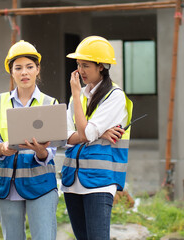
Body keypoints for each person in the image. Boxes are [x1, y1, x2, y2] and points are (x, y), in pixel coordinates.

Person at [60, 36, 133, 240]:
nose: (80, 71)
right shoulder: (81, 95)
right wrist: (98, 132)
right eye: (78, 64)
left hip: (100, 180)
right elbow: (63, 136)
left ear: (101, 66)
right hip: (72, 179)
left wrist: (75, 96)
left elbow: (84, 133)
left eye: (86, 65)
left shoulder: (114, 96)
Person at [0, 40, 59, 240]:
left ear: (38, 69)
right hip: (7, 185)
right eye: (18, 68)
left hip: (40, 184)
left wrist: (41, 152)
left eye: (29, 67)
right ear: (11, 72)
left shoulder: (49, 103)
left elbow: (51, 151)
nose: (24, 72)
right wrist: (2, 148)